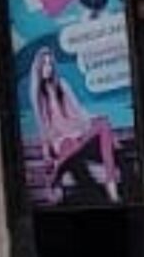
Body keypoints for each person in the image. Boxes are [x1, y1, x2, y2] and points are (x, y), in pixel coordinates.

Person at [31, 48, 121, 203]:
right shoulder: (39, 96)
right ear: (39, 68)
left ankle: (111, 185)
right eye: (44, 64)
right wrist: (47, 155)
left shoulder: (63, 85)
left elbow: (79, 111)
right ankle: (58, 168)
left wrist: (95, 117)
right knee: (68, 145)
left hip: (77, 135)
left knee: (103, 124)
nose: (48, 68)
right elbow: (43, 128)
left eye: (50, 64)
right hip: (62, 142)